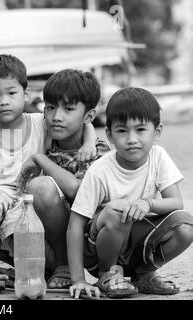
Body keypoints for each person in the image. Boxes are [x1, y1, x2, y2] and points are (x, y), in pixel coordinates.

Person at [0, 55, 98, 293]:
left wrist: (90, 142)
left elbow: (84, 122)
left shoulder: (40, 121)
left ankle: (49, 266)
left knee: (21, 222)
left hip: (30, 195)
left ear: (26, 94)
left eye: (11, 93)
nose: (4, 102)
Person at [67, 87, 193, 299]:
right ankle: (107, 274)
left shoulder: (158, 156)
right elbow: (75, 225)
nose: (132, 139)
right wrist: (78, 278)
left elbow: (175, 202)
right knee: (119, 210)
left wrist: (148, 203)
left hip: (137, 243)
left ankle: (143, 275)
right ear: (109, 135)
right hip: (101, 247)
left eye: (141, 130)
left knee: (185, 225)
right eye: (122, 131)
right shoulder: (100, 170)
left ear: (157, 131)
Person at [15, 69, 111, 290]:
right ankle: (44, 266)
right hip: (47, 229)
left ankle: (65, 265)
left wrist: (40, 158)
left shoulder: (97, 152)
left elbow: (77, 189)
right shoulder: (45, 130)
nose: (56, 116)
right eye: (50, 107)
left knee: (39, 187)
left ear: (88, 116)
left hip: (86, 237)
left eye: (68, 109)